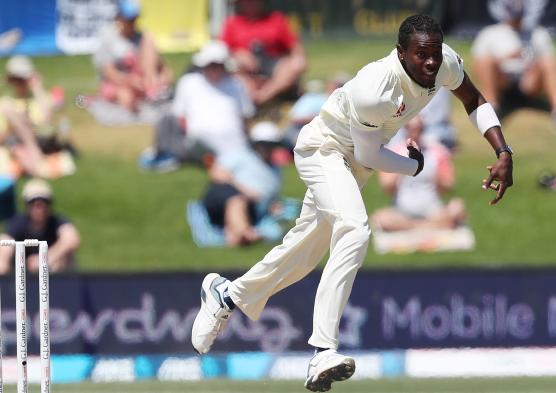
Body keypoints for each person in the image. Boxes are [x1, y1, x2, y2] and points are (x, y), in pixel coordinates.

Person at [191, 14, 514, 392]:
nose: (430, 63)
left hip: (356, 163)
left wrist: (503, 149)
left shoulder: (445, 63)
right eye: (420, 55)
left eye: (435, 54)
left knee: (304, 253)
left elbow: (473, 99)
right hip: (322, 151)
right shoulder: (376, 89)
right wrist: (413, 166)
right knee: (355, 230)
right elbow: (370, 155)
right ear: (400, 53)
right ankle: (322, 351)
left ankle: (226, 295)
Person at [140, 40, 255, 171]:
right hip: (198, 140)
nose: (214, 69)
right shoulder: (189, 82)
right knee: (166, 121)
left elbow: (245, 118)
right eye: (211, 65)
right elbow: (181, 118)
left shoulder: (236, 84)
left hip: (232, 141)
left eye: (217, 65)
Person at [471, 0, 556, 129]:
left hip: (529, 82)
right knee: (486, 61)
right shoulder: (490, 34)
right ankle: (492, 108)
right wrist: (505, 59)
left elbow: (550, 60)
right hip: (503, 80)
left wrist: (531, 65)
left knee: (548, 61)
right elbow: (477, 66)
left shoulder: (537, 34)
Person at [372, 116, 465, 232]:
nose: (415, 132)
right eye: (411, 128)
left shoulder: (436, 152)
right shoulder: (394, 152)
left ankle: (414, 227)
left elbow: (448, 185)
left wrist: (435, 174)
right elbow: (387, 186)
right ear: (405, 129)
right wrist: (400, 166)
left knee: (457, 208)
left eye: (418, 128)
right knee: (381, 218)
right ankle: (426, 227)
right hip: (403, 210)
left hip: (432, 209)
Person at [201, 121, 283, 246]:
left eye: (271, 145)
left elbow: (272, 195)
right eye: (264, 144)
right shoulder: (241, 155)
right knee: (237, 201)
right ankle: (247, 234)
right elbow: (217, 173)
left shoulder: (275, 169)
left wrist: (272, 205)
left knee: (241, 205)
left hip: (253, 208)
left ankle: (237, 238)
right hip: (225, 195)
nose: (267, 148)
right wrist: (245, 191)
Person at [220, 0, 306, 105]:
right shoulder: (232, 23)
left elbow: (295, 47)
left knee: (295, 65)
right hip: (245, 69)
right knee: (235, 71)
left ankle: (263, 97)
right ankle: (250, 101)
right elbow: (221, 51)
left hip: (274, 64)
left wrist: (299, 59)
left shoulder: (276, 19)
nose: (251, 4)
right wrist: (238, 55)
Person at [92, 0, 173, 112]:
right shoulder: (109, 38)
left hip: (143, 82)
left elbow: (162, 66)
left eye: (135, 18)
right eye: (129, 19)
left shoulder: (143, 37)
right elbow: (109, 72)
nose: (133, 22)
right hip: (120, 83)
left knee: (149, 39)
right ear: (119, 18)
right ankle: (150, 95)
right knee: (125, 97)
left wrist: (164, 77)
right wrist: (130, 81)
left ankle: (153, 91)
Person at [0, 179, 80, 274]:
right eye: (33, 202)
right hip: (22, 278)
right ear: (26, 204)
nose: (39, 207)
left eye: (44, 202)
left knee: (65, 257)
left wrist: (44, 259)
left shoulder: (57, 221)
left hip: (54, 275)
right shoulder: (17, 223)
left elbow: (72, 239)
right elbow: (5, 243)